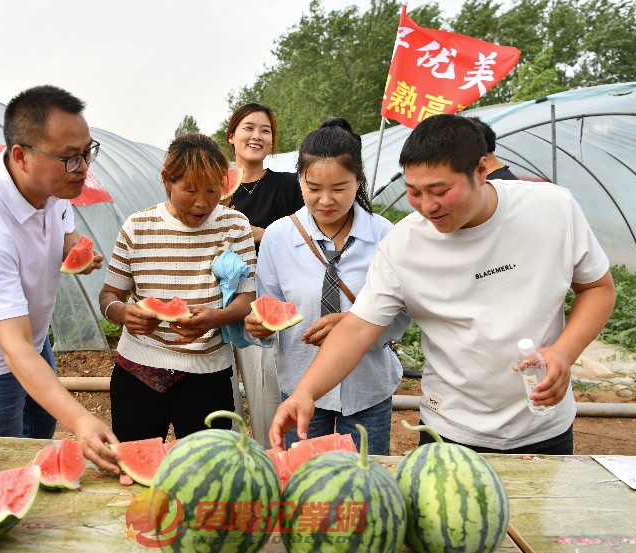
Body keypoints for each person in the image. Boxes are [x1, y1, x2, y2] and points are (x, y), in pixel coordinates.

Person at [271, 114, 616, 455]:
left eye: (440, 191)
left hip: (543, 423)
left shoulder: (552, 208)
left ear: (480, 170)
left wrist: (563, 352)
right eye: (414, 192)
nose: (428, 207)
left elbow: (597, 288)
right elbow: (358, 328)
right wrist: (306, 392)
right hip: (449, 429)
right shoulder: (404, 243)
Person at [0, 85, 118, 472]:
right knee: (0, 466)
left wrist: (75, 251)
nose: (84, 168)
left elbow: (65, 229)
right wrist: (81, 420)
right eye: (70, 158)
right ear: (20, 156)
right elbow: (13, 348)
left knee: (38, 437)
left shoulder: (55, 182)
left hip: (34, 341)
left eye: (88, 152)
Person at [245, 118, 408, 455]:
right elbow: (268, 308)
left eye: (339, 188)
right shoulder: (278, 236)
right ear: (300, 181)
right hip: (299, 383)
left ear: (359, 180)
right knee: (302, 478)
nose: (325, 200)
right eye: (313, 188)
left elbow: (403, 313)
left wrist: (354, 324)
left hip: (367, 386)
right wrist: (261, 328)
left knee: (364, 480)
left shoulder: (385, 235)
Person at [99, 133, 256, 442]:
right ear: (167, 181)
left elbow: (246, 298)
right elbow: (109, 295)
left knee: (206, 468)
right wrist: (122, 313)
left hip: (208, 373)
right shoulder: (137, 227)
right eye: (191, 190)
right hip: (138, 371)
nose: (202, 202)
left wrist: (217, 317)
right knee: (137, 465)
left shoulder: (236, 226)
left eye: (212, 190)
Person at [224, 103, 304, 447]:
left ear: (272, 141)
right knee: (219, 399)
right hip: (216, 303)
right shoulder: (213, 187)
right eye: (248, 128)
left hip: (263, 303)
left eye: (265, 130)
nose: (256, 135)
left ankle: (274, 462)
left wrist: (256, 233)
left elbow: (304, 236)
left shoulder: (287, 185)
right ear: (231, 136)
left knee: (265, 394)